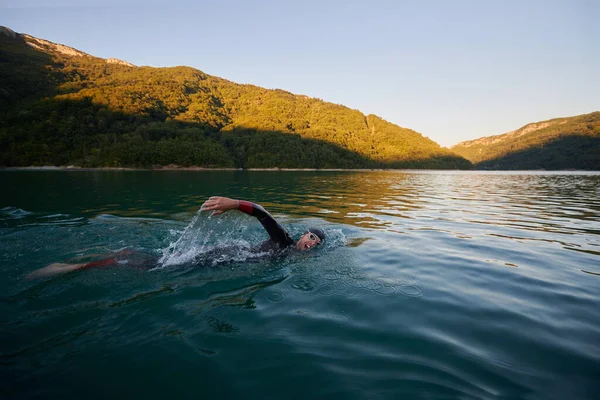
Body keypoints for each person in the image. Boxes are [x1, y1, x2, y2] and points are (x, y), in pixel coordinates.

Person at [26, 196, 325, 279]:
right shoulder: (284, 241)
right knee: (156, 267)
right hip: (216, 257)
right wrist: (234, 204)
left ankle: (115, 255)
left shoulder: (293, 258)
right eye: (311, 235)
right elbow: (262, 213)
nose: (311, 242)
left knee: (156, 261)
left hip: (221, 260)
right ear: (302, 234)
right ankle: (76, 267)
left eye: (316, 243)